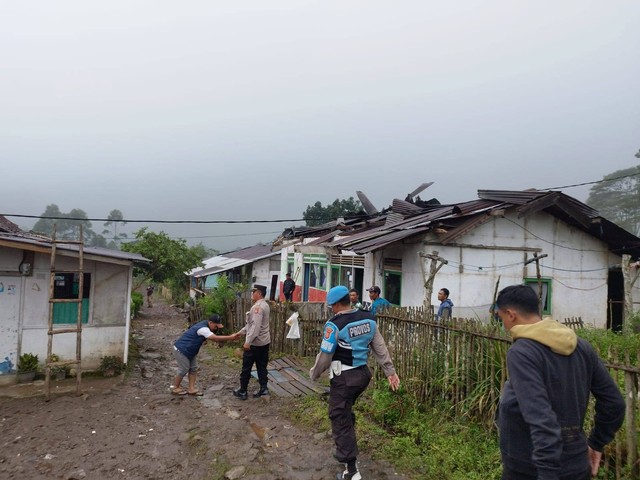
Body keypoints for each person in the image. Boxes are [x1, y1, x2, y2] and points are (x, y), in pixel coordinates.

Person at [495, 285, 625, 480]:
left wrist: (547, 472)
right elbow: (615, 403)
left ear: (510, 314)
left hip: (531, 469)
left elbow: (541, 419)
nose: (503, 324)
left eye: (501, 317)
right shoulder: (581, 346)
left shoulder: (523, 352)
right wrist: (597, 443)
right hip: (577, 464)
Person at [310, 285, 400, 480]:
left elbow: (325, 356)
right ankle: (348, 429)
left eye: (331, 305)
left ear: (335, 305)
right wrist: (390, 371)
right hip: (362, 376)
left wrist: (315, 373)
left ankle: (351, 472)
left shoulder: (334, 325)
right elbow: (380, 347)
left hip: (345, 378)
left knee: (339, 418)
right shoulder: (368, 318)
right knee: (345, 411)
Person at [171, 314, 238, 396]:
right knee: (184, 369)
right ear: (210, 323)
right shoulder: (203, 328)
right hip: (181, 349)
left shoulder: (205, 325)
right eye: (216, 326)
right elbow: (215, 338)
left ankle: (191, 388)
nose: (216, 328)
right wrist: (230, 337)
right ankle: (175, 387)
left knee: (193, 369)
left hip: (191, 350)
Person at [233, 284, 271, 400]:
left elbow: (255, 327)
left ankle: (243, 391)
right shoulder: (265, 305)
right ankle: (264, 389)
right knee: (261, 367)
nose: (252, 294)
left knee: (246, 367)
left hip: (255, 343)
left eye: (253, 292)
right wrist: (241, 332)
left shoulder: (257, 308)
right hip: (264, 342)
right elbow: (250, 325)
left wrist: (247, 342)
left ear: (258, 293)